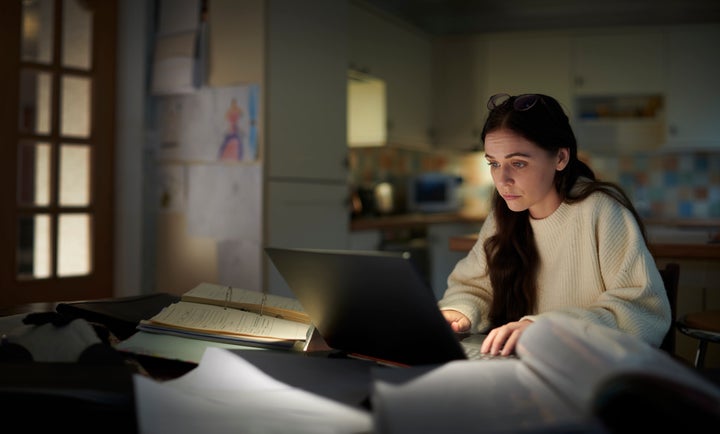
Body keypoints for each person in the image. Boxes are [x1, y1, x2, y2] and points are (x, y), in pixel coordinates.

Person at [438, 93, 671, 357]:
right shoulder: (505, 213)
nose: (502, 179)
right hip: (523, 368)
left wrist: (542, 328)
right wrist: (459, 311)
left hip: (592, 372)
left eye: (518, 163)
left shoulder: (601, 211)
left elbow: (640, 313)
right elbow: (475, 286)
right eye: (494, 163)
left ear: (560, 158)